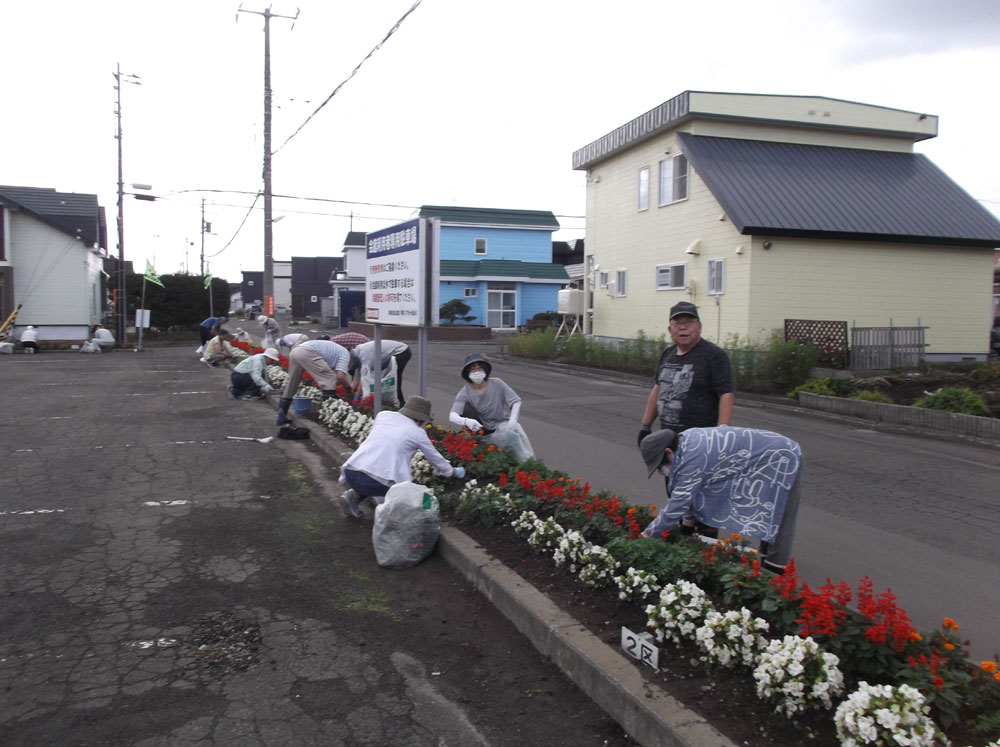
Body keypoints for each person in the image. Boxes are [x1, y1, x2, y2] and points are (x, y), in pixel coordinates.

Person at [639, 426, 802, 574]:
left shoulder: (693, 454)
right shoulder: (684, 442)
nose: (663, 471)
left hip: (782, 456)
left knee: (779, 513)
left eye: (661, 467)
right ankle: (766, 564)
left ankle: (775, 576)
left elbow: (680, 501)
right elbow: (688, 488)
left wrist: (648, 534)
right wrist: (687, 524)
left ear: (669, 452)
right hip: (763, 455)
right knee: (769, 512)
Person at [339, 396, 466, 518]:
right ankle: (383, 507)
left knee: (375, 472)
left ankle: (353, 495)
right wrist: (452, 471)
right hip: (376, 483)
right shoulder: (418, 433)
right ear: (421, 420)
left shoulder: (383, 416)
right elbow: (435, 458)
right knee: (401, 494)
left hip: (351, 472)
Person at [638, 301, 735, 446]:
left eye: (689, 322)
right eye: (677, 323)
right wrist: (645, 427)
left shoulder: (714, 355)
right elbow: (659, 388)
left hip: (701, 442)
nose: (683, 327)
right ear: (670, 330)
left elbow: (726, 394)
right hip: (669, 440)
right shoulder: (667, 354)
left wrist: (721, 436)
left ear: (699, 327)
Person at [449, 352, 534, 463]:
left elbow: (516, 401)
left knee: (515, 433)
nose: (477, 371)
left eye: (479, 368)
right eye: (473, 368)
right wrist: (467, 421)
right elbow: (453, 415)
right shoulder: (465, 392)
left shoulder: (497, 384)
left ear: (485, 369)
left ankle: (529, 464)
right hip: (485, 432)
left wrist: (512, 421)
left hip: (502, 425)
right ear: (468, 372)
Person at [275, 339, 353, 424]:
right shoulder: (346, 354)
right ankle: (329, 414)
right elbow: (340, 376)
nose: (347, 368)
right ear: (352, 360)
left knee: (292, 383)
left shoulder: (337, 352)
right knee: (329, 378)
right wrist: (348, 389)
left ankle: (282, 414)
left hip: (296, 351)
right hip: (307, 351)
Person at [349, 339, 411, 405]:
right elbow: (355, 381)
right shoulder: (357, 357)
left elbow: (364, 378)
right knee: (391, 379)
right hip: (395, 353)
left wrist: (357, 396)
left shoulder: (364, 354)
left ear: (351, 360)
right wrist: (348, 395)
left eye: (350, 365)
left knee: (394, 379)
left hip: (401, 352)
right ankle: (398, 402)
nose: (350, 366)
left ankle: (399, 404)